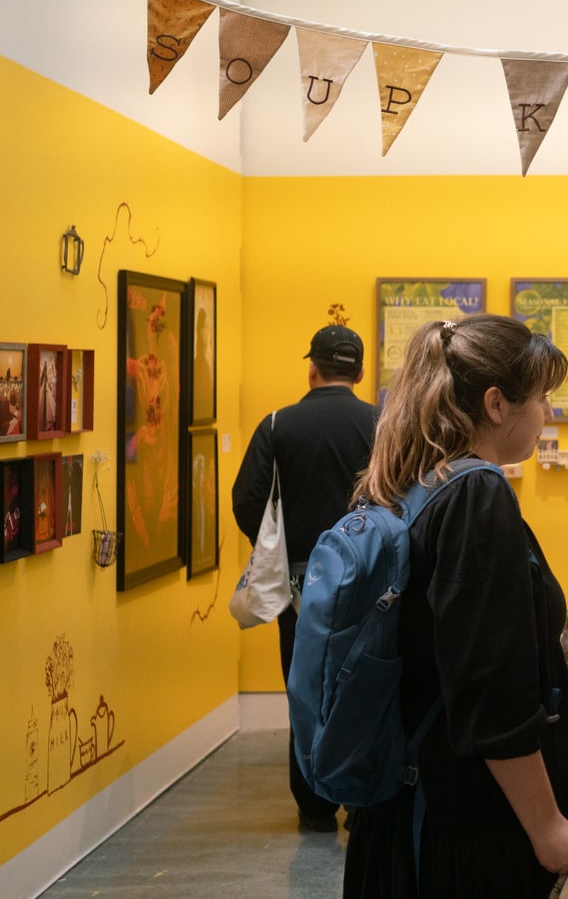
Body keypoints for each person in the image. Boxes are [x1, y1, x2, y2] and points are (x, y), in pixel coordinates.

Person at [342, 314, 568, 898]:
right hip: (463, 829)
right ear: (495, 404)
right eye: (541, 399)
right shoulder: (476, 496)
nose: (548, 414)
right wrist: (547, 824)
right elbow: (490, 695)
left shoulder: (409, 485)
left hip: (409, 809)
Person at [232, 325, 380, 833]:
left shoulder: (278, 425)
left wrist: (277, 548)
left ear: (311, 368)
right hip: (371, 584)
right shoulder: (382, 424)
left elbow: (247, 499)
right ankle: (365, 800)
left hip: (300, 586)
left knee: (306, 689)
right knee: (369, 685)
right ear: (359, 373)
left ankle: (315, 805)